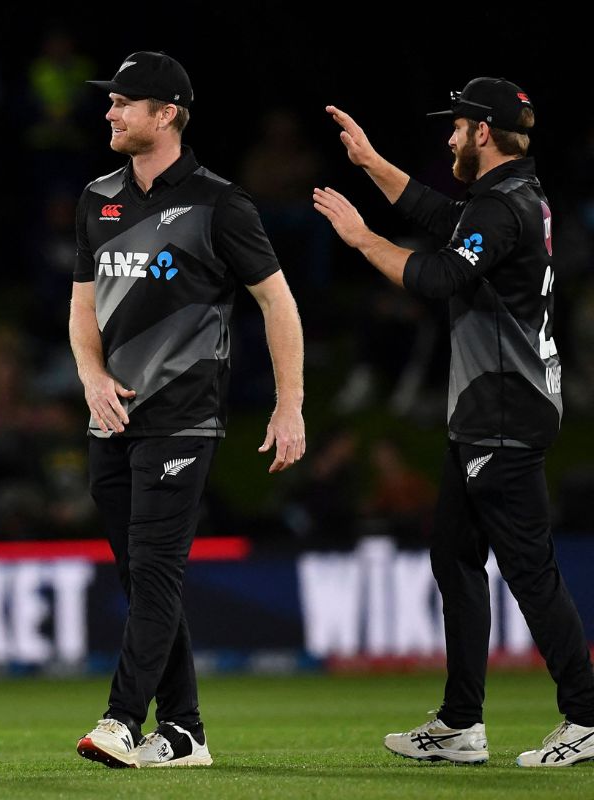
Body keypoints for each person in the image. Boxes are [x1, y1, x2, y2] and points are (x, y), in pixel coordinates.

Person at [314, 77, 594, 768]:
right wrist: (372, 162)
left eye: (458, 127)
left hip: (502, 413)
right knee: (455, 556)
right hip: (489, 412)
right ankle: (461, 724)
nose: (449, 138)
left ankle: (587, 716)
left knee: (530, 571)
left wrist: (360, 238)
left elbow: (436, 277)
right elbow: (447, 219)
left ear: (484, 133)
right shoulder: (510, 198)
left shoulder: (503, 209)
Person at [70, 51, 305, 769]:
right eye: (109, 101)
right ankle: (184, 732)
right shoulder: (98, 197)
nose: (109, 111)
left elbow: (278, 300)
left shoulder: (219, 203)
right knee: (141, 579)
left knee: (157, 568)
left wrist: (288, 404)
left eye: (123, 101)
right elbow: (82, 306)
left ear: (166, 112)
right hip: (110, 418)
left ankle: (120, 719)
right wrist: (90, 378)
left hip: (182, 416)